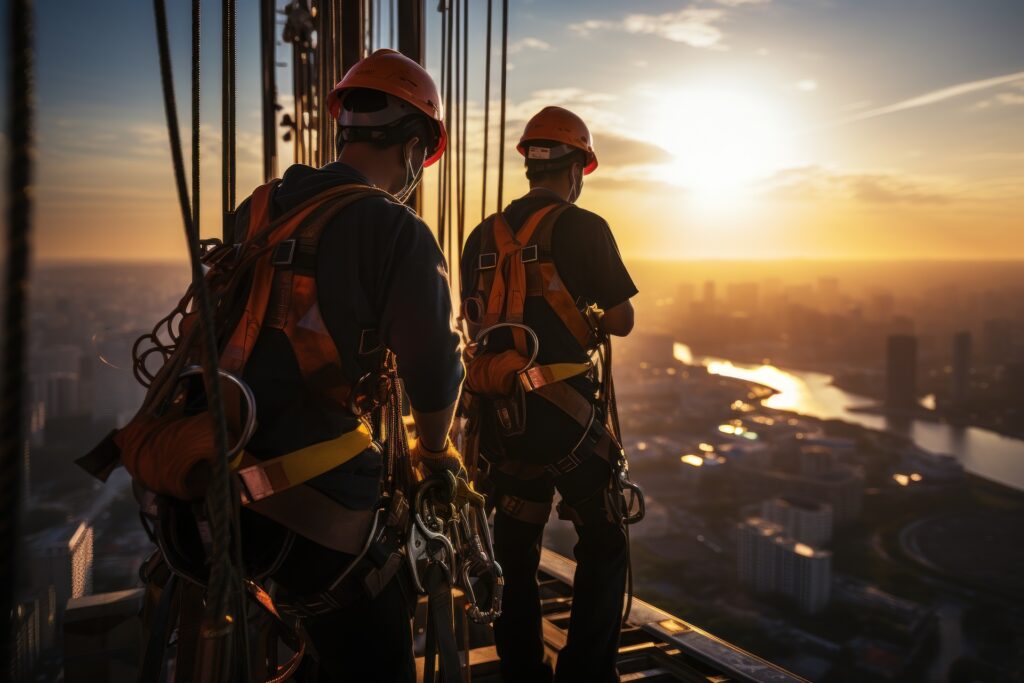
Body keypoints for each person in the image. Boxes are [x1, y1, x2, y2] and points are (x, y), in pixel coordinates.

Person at [229, 49, 464, 681]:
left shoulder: (258, 209)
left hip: (220, 491)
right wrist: (436, 451)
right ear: (415, 149)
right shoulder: (396, 230)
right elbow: (434, 371)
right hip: (321, 514)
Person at [459, 106, 638, 683]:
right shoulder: (583, 227)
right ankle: (586, 674)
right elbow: (621, 319)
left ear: (532, 167)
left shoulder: (480, 236)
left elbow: (475, 318)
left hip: (502, 415)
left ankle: (522, 672)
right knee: (604, 534)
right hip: (564, 414)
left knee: (514, 543)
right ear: (577, 169)